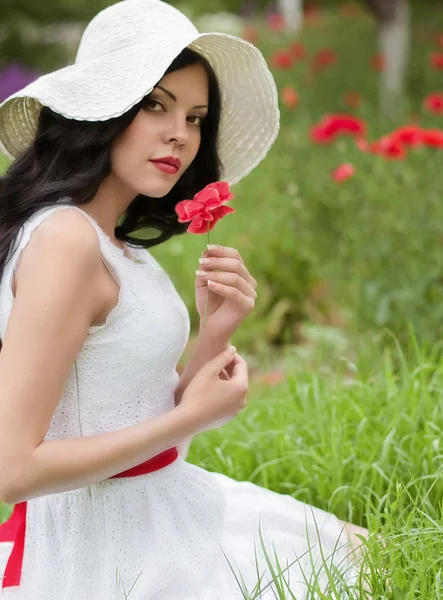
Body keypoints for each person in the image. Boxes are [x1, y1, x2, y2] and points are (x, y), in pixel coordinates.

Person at [0, 1, 368, 598]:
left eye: (196, 117)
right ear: (101, 114)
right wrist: (193, 415)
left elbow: (145, 427)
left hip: (161, 505)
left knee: (357, 551)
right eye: (155, 105)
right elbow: (13, 470)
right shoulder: (66, 241)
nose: (181, 133)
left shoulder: (115, 246)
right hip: (113, 553)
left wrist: (213, 333)